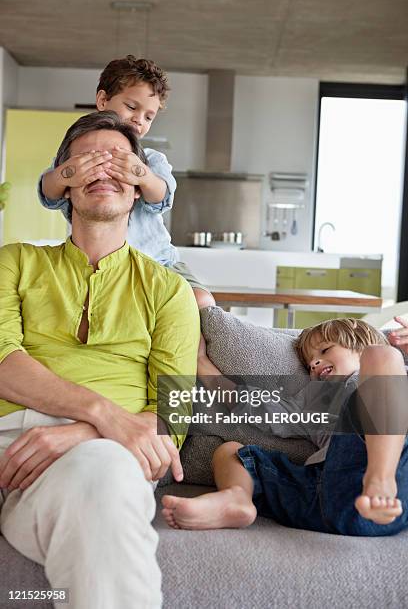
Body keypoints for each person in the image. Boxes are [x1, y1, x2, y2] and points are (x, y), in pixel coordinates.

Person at [0, 111, 200, 608]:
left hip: (114, 454)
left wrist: (86, 433)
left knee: (104, 474)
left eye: (118, 162)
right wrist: (104, 415)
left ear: (137, 190)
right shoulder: (14, 262)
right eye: (86, 162)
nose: (103, 171)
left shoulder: (171, 290)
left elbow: (173, 412)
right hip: (12, 450)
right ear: (65, 187)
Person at [162, 318, 408, 536]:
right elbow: (259, 408)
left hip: (395, 485)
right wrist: (201, 362)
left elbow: (384, 360)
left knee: (383, 356)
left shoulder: (391, 369)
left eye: (325, 349)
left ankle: (380, 480)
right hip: (324, 493)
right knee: (230, 452)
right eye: (310, 363)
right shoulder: (315, 398)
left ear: (361, 341)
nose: (314, 364)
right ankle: (237, 497)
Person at [38, 54, 215, 309]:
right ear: (102, 100)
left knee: (200, 301)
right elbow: (48, 193)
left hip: (158, 261)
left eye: (148, 117)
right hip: (98, 266)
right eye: (132, 107)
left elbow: (162, 196)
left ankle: (198, 351)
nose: (138, 120)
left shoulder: (151, 160)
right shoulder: (77, 157)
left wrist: (141, 174)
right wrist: (68, 173)